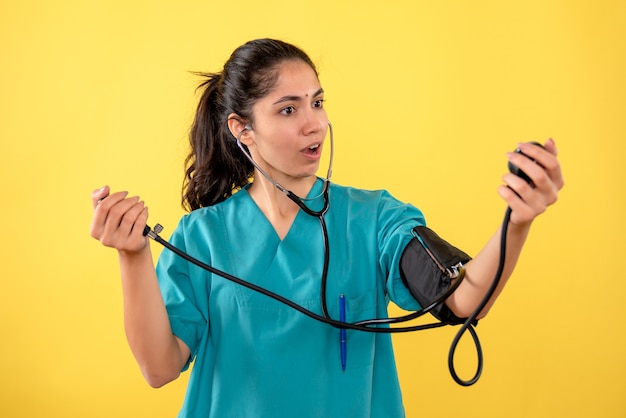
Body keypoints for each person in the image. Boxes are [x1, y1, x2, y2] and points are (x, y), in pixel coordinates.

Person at [89, 38, 564, 417]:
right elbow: (159, 367)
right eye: (289, 109)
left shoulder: (377, 219)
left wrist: (518, 221)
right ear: (242, 129)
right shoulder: (201, 237)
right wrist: (132, 257)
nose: (314, 124)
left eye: (317, 102)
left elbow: (461, 300)